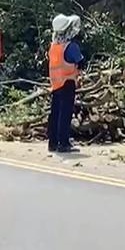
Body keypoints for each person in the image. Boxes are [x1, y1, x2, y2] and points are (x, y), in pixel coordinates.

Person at [47, 14, 84, 153]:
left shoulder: (53, 46)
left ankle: (53, 143)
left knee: (55, 113)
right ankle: (63, 143)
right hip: (67, 82)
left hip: (56, 84)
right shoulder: (70, 46)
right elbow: (80, 61)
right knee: (65, 113)